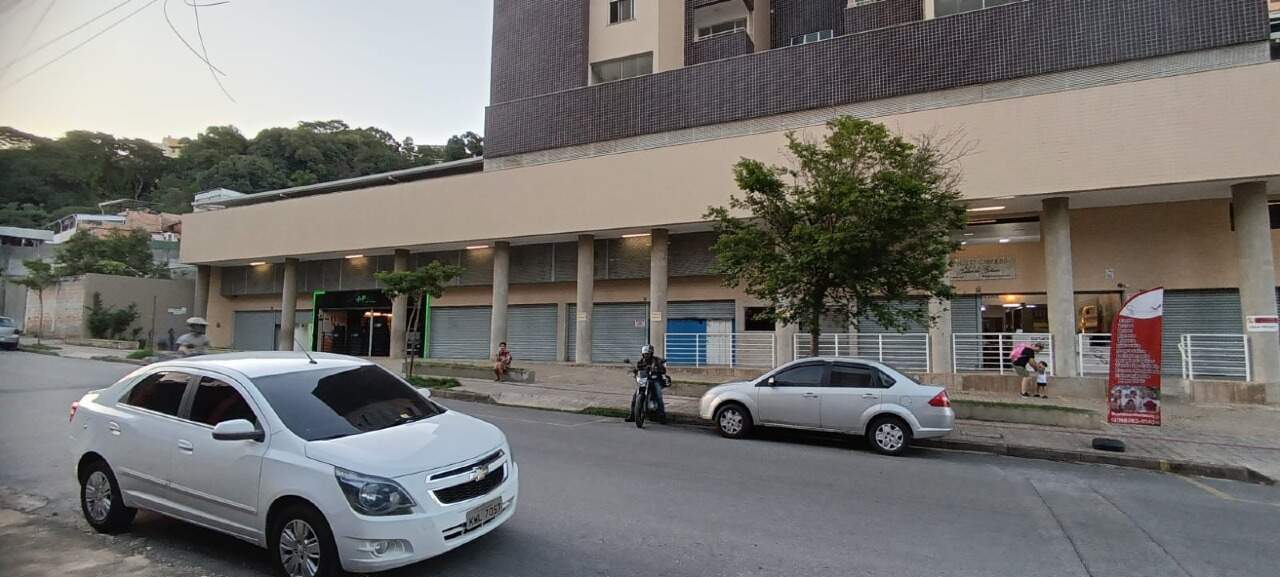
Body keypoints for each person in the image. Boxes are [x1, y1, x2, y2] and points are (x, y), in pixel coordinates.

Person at [625, 344, 669, 423]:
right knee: (635, 397)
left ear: (651, 353)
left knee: (659, 396)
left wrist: (658, 368)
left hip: (654, 380)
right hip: (644, 381)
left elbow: (663, 370)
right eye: (644, 354)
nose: (646, 355)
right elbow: (638, 369)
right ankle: (632, 415)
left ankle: (662, 416)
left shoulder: (656, 360)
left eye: (647, 354)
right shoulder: (641, 361)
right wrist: (634, 370)